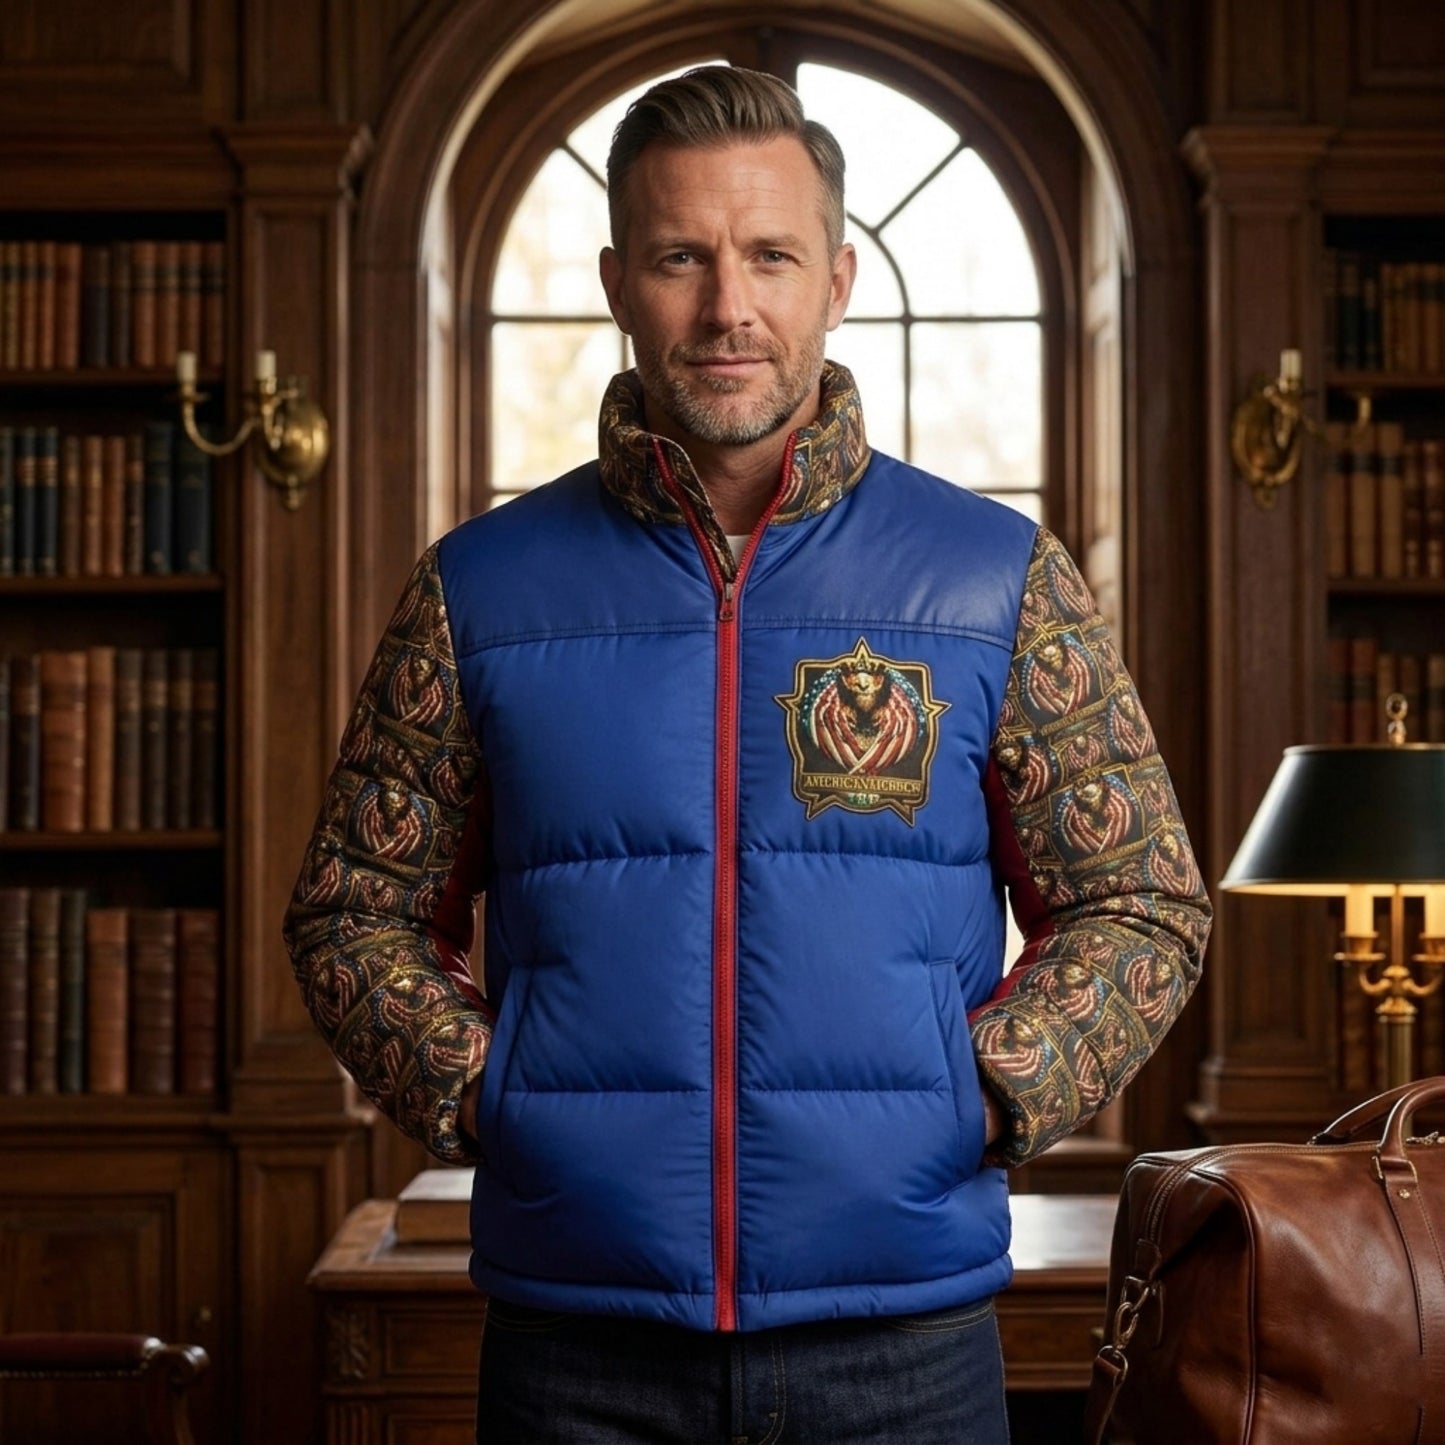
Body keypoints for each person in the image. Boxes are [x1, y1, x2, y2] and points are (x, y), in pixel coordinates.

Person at [284, 64, 1211, 1444]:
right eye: (680, 258)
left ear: (834, 277)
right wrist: (498, 1092)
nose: (727, 307)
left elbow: (1142, 900)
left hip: (901, 1340)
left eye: (768, 255)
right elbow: (349, 909)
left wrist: (976, 1093)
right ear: (616, 281)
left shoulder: (994, 577)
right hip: (576, 1345)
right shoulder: (477, 588)